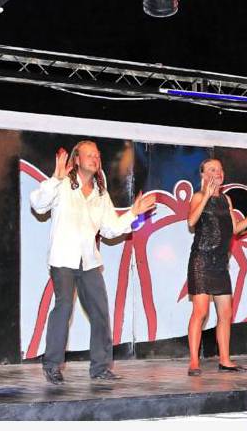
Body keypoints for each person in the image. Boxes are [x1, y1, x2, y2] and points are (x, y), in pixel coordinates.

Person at [30, 141, 156, 384]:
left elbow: (110, 229)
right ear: (77, 159)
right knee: (64, 307)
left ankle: (100, 368)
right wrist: (55, 179)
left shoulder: (100, 193)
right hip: (63, 258)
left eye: (97, 156)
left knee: (100, 312)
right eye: (89, 155)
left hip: (89, 261)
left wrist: (134, 212)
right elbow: (38, 204)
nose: (95, 159)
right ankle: (52, 365)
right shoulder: (62, 185)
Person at [186, 158, 247, 376]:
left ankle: (225, 360)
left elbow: (236, 229)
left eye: (220, 169)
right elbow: (191, 222)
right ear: (203, 175)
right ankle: (194, 362)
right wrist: (206, 195)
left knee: (225, 314)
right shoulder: (198, 197)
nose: (218, 173)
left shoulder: (226, 200)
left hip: (221, 264)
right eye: (212, 169)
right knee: (200, 312)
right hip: (201, 261)